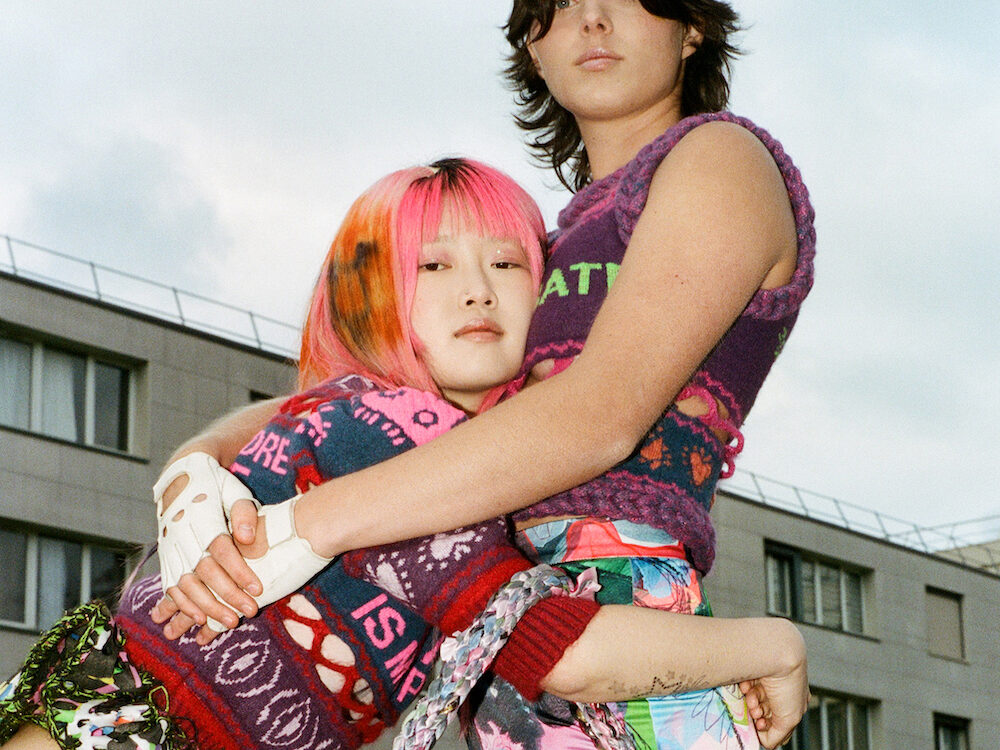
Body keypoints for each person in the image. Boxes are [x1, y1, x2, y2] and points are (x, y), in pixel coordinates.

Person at [141, 0, 819, 745]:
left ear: (690, 27)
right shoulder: (542, 252)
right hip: (498, 631)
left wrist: (305, 524)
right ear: (532, 47)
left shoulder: (719, 157)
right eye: (558, 6)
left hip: (615, 606)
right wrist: (193, 472)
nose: (592, 19)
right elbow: (375, 394)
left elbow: (597, 417)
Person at [0, 159, 806, 750]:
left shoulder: (359, 412)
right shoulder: (401, 437)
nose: (477, 289)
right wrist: (772, 646)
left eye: (507, 263)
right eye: (434, 264)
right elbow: (566, 657)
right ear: (375, 294)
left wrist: (192, 463)